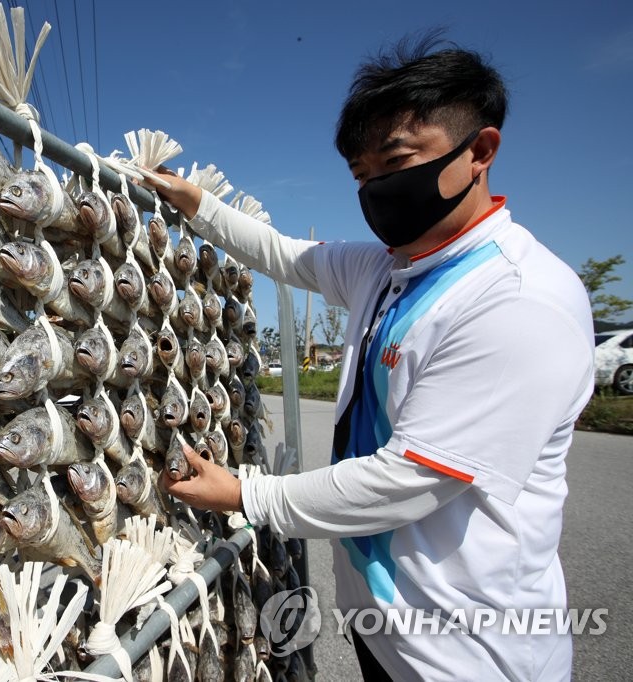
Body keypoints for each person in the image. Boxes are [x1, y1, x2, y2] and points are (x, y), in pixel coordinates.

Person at [148, 35, 595, 682]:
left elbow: (411, 478)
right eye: (362, 177)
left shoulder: (518, 299)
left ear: (481, 151)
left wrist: (247, 493)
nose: (379, 189)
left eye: (397, 161)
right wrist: (196, 203)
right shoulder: (384, 269)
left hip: (469, 656)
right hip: (384, 630)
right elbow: (280, 254)